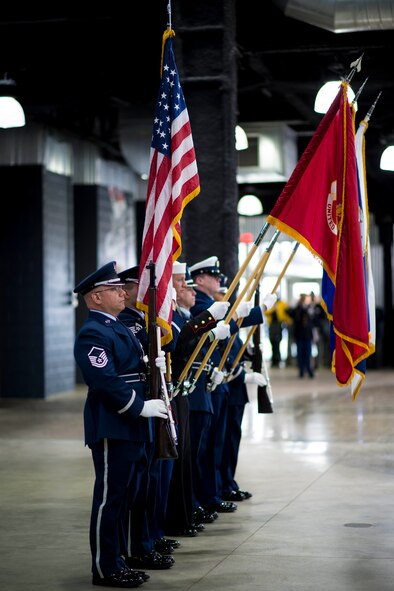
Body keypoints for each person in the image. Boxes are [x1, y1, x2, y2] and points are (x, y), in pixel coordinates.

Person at [73, 261, 168, 588]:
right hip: (114, 423)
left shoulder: (116, 326)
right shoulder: (93, 332)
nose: (122, 293)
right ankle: (104, 568)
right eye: (114, 289)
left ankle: (118, 560)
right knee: (110, 498)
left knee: (127, 495)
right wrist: (138, 407)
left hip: (131, 422)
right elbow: (104, 380)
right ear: (96, 297)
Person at [116, 265, 177, 569]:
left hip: (151, 405)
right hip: (135, 409)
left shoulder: (144, 320)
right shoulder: (127, 321)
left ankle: (147, 539)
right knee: (138, 484)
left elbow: (172, 343)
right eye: (137, 287)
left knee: (150, 480)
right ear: (128, 291)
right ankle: (139, 545)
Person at [165, 262, 231, 536]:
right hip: (181, 392)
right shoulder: (174, 317)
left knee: (198, 455)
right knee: (185, 460)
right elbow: (180, 345)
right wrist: (209, 326)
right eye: (180, 281)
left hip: (195, 388)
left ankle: (189, 508)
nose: (185, 286)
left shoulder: (183, 315)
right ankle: (181, 513)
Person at [289, 293, 314, 378]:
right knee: (300, 354)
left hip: (307, 335)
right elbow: (293, 316)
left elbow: (312, 319)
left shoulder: (309, 308)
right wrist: (299, 306)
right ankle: (301, 371)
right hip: (299, 335)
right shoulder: (297, 309)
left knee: (308, 353)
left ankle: (309, 369)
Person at [264, 295, 292, 368]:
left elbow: (285, 314)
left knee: (277, 342)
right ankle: (273, 360)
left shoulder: (282, 304)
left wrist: (288, 322)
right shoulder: (271, 305)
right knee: (272, 342)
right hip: (272, 325)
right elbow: (266, 312)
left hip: (279, 325)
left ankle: (277, 360)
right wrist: (273, 308)